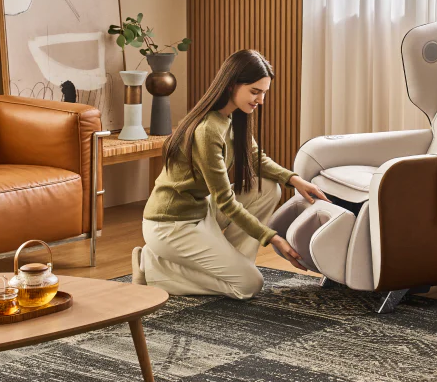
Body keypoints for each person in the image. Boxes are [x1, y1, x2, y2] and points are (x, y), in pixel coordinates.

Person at [131, 49, 329, 299]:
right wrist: (273, 238)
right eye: (255, 92)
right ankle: (152, 268)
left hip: (200, 212)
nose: (261, 100)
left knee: (268, 187)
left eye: (264, 93)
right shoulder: (208, 130)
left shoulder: (233, 118)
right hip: (171, 225)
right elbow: (226, 202)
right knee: (248, 286)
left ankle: (236, 266)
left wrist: (294, 179)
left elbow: (257, 159)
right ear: (232, 85)